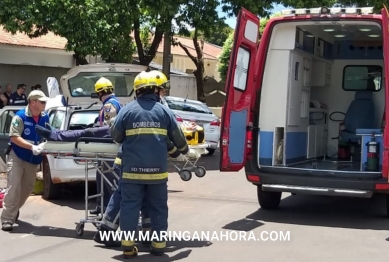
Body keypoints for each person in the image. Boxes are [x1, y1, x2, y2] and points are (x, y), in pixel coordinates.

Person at [110, 71, 190, 258]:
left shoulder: (127, 110)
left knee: (129, 206)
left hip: (132, 173)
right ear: (154, 90)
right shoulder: (164, 111)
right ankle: (159, 246)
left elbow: (116, 136)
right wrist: (185, 152)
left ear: (137, 91)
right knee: (158, 207)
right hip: (157, 174)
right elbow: (178, 137)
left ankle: (128, 247)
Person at [1, 90, 49, 231]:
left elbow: (48, 133)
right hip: (17, 156)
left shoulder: (45, 116)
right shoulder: (20, 116)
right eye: (42, 102)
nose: (44, 104)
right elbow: (14, 137)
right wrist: (32, 146)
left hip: (33, 159)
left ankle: (14, 210)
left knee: (27, 189)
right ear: (33, 102)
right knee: (14, 187)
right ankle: (7, 218)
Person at [89, 77, 122, 216]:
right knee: (100, 178)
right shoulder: (111, 104)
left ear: (100, 93)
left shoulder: (109, 106)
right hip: (103, 149)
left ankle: (113, 210)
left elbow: (108, 129)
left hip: (108, 149)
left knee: (109, 180)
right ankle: (101, 206)